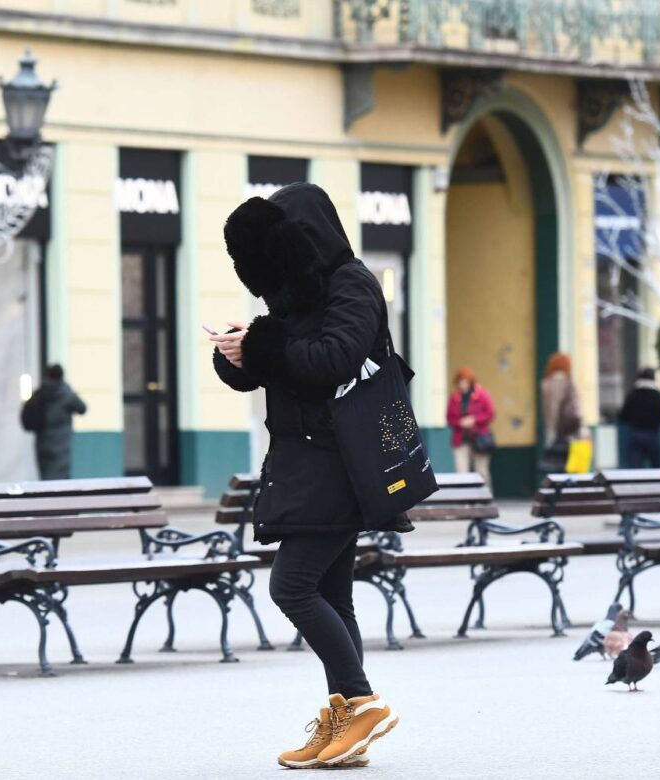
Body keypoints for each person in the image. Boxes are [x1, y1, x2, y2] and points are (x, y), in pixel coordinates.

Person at [210, 183, 399, 769]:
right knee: (332, 595)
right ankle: (347, 718)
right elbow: (281, 361)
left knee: (291, 587)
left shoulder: (352, 284)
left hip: (340, 463)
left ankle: (362, 704)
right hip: (309, 460)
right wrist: (239, 353)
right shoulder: (298, 296)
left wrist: (265, 346)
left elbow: (332, 359)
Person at [21, 364, 87, 480]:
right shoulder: (66, 394)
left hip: (43, 443)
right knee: (61, 479)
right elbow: (82, 408)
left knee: (46, 477)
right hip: (62, 443)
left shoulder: (39, 394)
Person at [445, 367, 495, 487]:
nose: (462, 384)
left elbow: (490, 413)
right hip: (461, 438)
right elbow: (449, 418)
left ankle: (484, 496)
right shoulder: (455, 397)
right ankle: (464, 498)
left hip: (479, 438)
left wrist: (474, 420)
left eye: (465, 381)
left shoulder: (481, 394)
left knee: (481, 470)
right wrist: (460, 422)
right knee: (461, 471)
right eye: (460, 381)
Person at [538, 351, 584, 475]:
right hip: (566, 432)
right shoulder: (561, 379)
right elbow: (555, 406)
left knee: (558, 470)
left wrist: (550, 432)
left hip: (558, 432)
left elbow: (550, 409)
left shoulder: (547, 382)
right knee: (569, 471)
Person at [618, 367, 660, 468]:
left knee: (635, 471)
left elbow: (623, 416)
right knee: (657, 469)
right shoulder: (656, 395)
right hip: (653, 434)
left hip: (636, 434)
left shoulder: (633, 394)